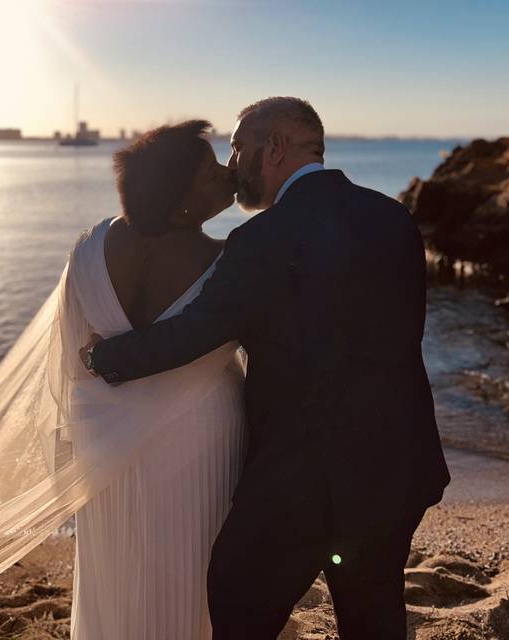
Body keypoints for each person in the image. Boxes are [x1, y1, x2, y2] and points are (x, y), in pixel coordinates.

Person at [81, 97, 451, 640]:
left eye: (237, 148)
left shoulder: (263, 239)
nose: (232, 166)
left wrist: (104, 356)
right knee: (373, 615)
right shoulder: (393, 218)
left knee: (236, 599)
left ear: (274, 147)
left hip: (302, 481)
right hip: (396, 467)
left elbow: (194, 333)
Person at [66, 119, 247, 638]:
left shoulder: (89, 246)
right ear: (178, 197)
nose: (228, 174)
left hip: (105, 440)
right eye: (211, 170)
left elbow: (72, 354)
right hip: (201, 436)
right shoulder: (230, 259)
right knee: (195, 567)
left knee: (120, 571)